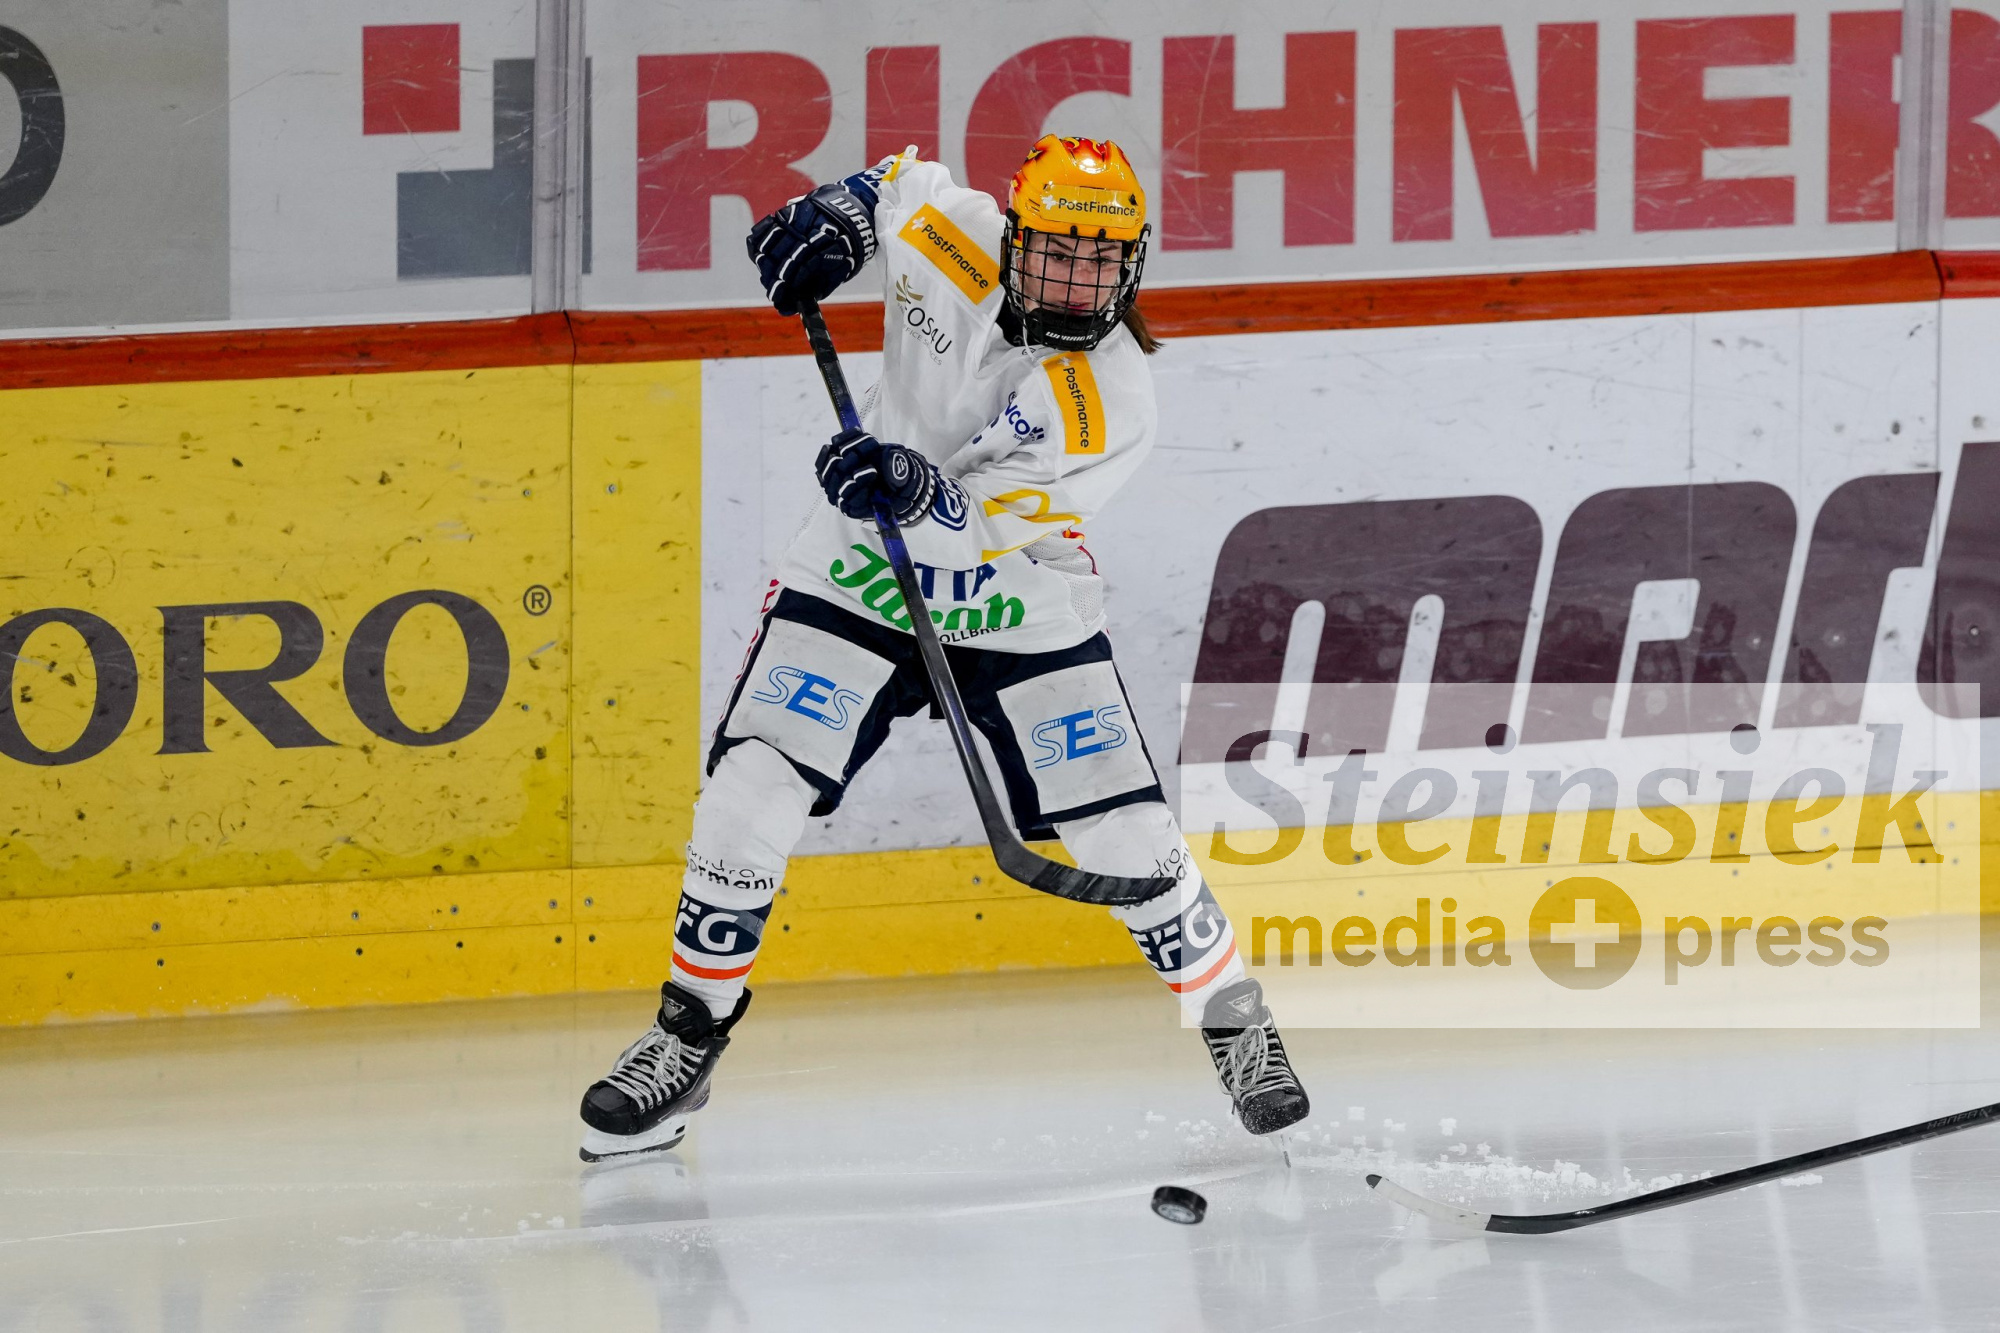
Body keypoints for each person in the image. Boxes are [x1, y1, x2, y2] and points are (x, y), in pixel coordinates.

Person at [578, 135, 1310, 1163]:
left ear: (1133, 264)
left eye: (1101, 261)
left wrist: (913, 488)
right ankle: (686, 1037)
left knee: (1123, 835)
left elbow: (980, 520)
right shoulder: (952, 231)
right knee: (748, 792)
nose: (1077, 279)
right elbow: (895, 183)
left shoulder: (1113, 400)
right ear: (1011, 238)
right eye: (1056, 252)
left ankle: (1237, 1026)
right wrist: (836, 218)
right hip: (858, 577)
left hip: (1014, 598)